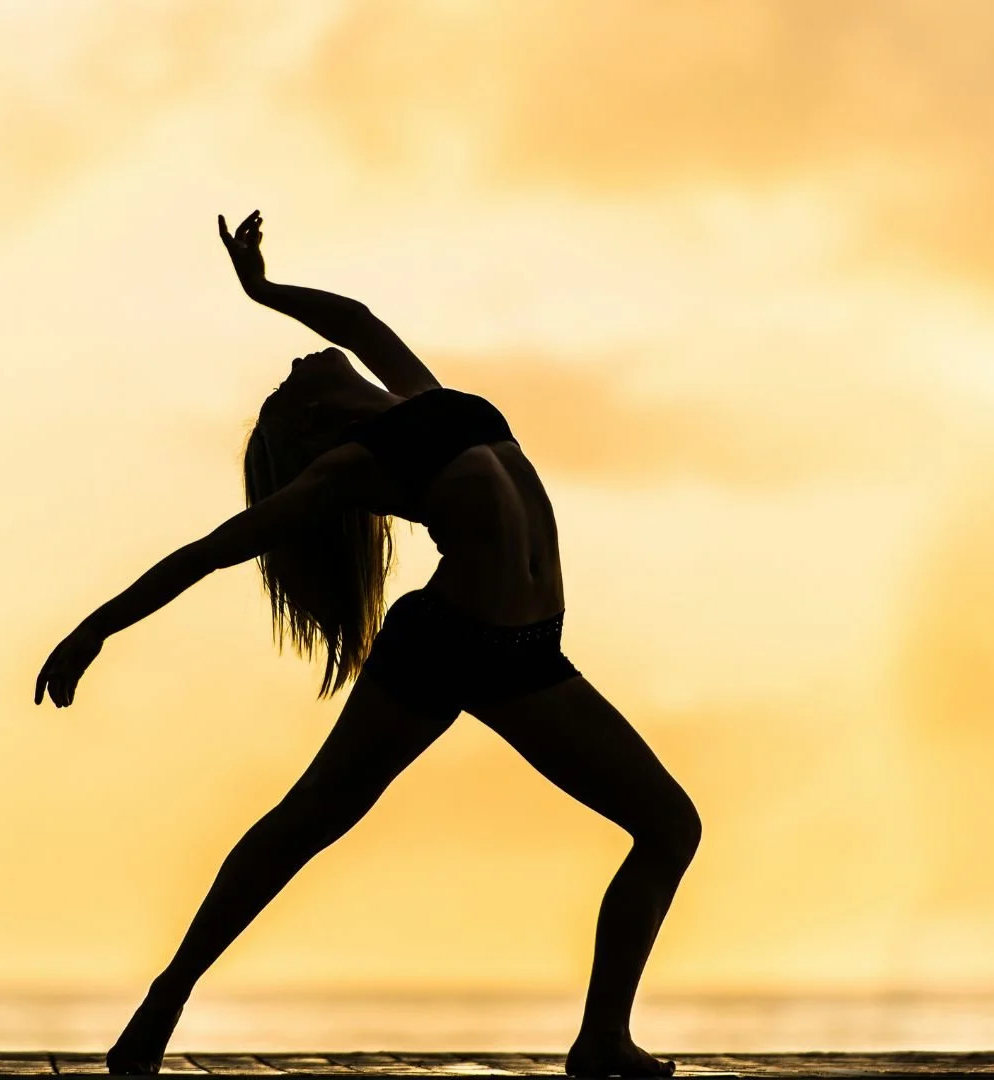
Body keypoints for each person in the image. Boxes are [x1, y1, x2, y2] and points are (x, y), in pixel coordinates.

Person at [36, 212, 701, 1078]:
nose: (297, 360)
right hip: (447, 645)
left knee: (668, 826)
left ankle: (602, 1039)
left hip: (530, 656)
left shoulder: (425, 400)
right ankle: (166, 999)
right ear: (306, 422)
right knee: (308, 822)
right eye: (285, 381)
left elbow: (351, 320)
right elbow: (214, 549)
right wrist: (96, 627)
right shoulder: (350, 466)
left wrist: (264, 289)